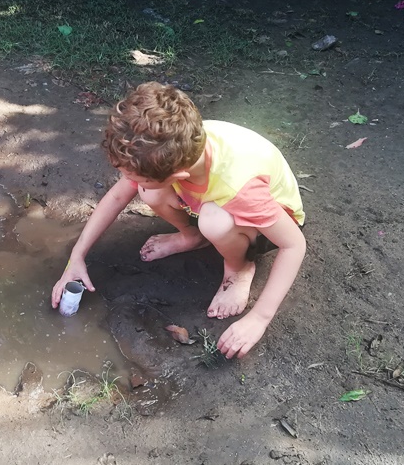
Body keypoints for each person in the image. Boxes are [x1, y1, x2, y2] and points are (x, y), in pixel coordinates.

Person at [51, 82, 306, 359]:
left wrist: (259, 318)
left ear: (178, 178)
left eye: (133, 177)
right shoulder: (176, 145)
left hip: (266, 224)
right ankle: (191, 236)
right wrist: (76, 256)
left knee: (214, 220)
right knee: (150, 190)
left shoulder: (240, 187)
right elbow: (116, 198)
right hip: (212, 200)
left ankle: (239, 268)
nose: (128, 183)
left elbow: (294, 245)